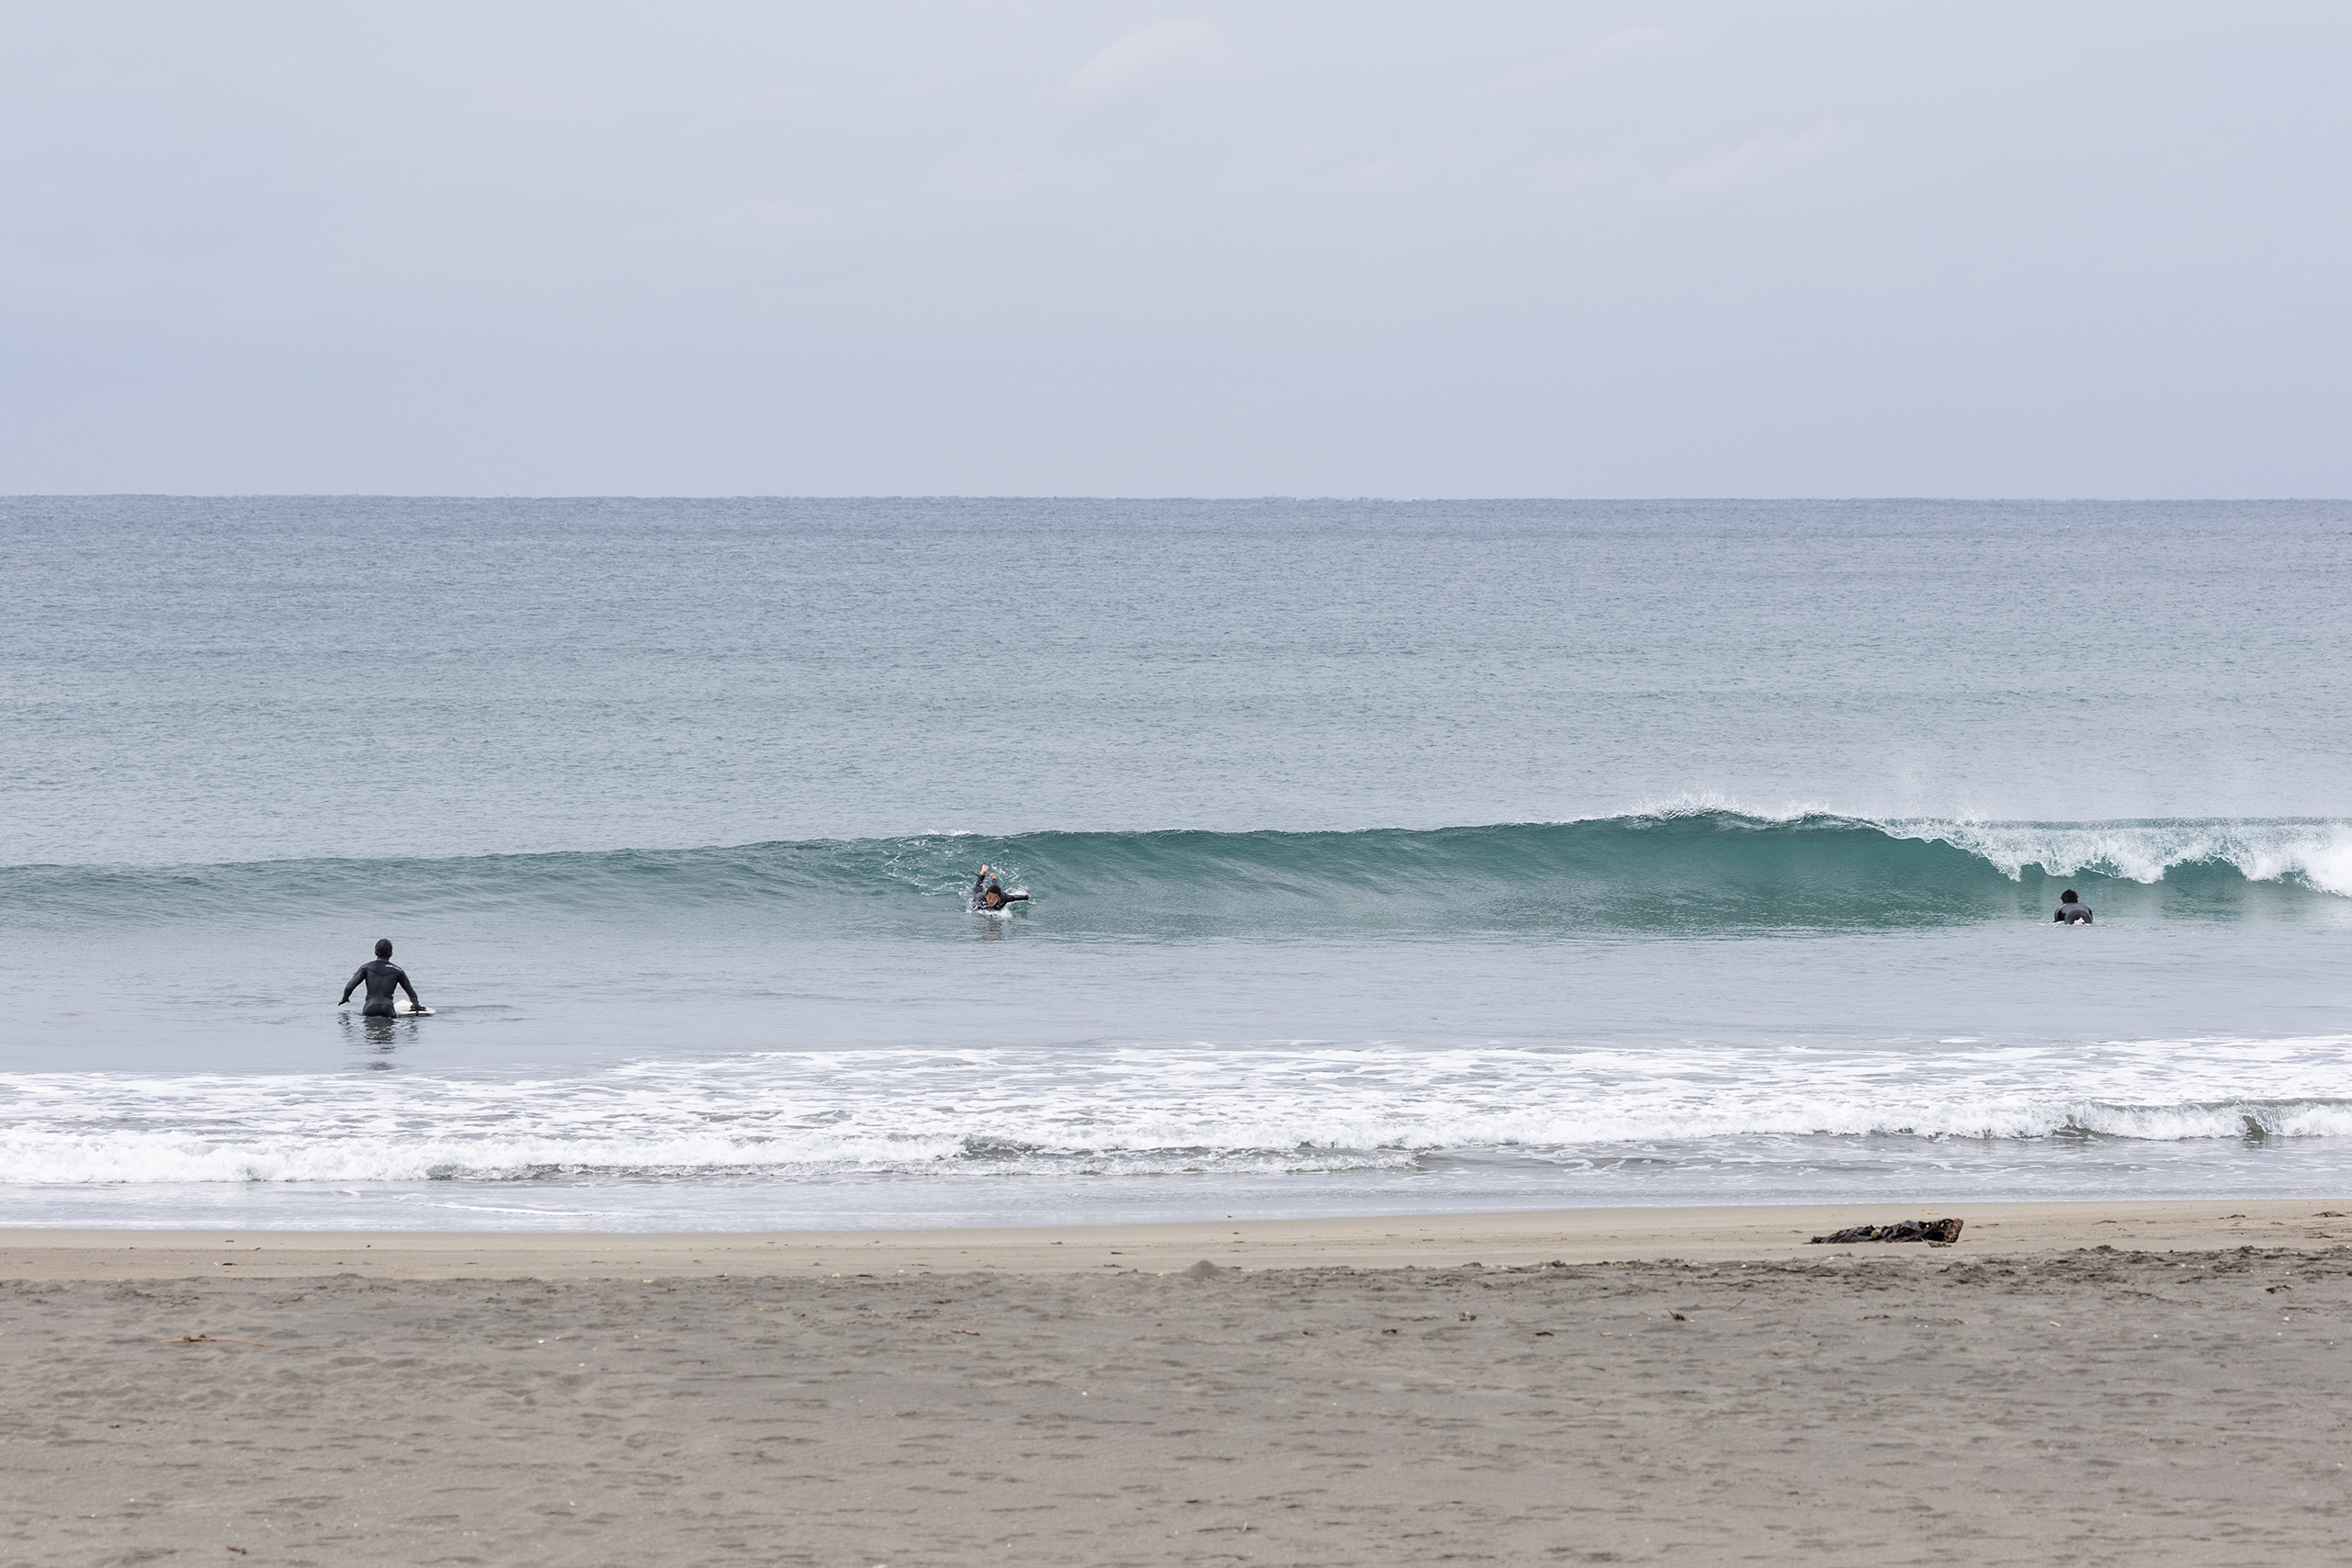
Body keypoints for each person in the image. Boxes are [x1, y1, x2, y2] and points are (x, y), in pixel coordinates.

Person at [341, 938, 424, 1016]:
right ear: (391, 954)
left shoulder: (366, 967)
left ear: (375, 953)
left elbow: (349, 987)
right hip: (388, 1009)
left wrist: (345, 998)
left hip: (369, 1009)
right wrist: (416, 1005)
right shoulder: (398, 971)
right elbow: (411, 993)